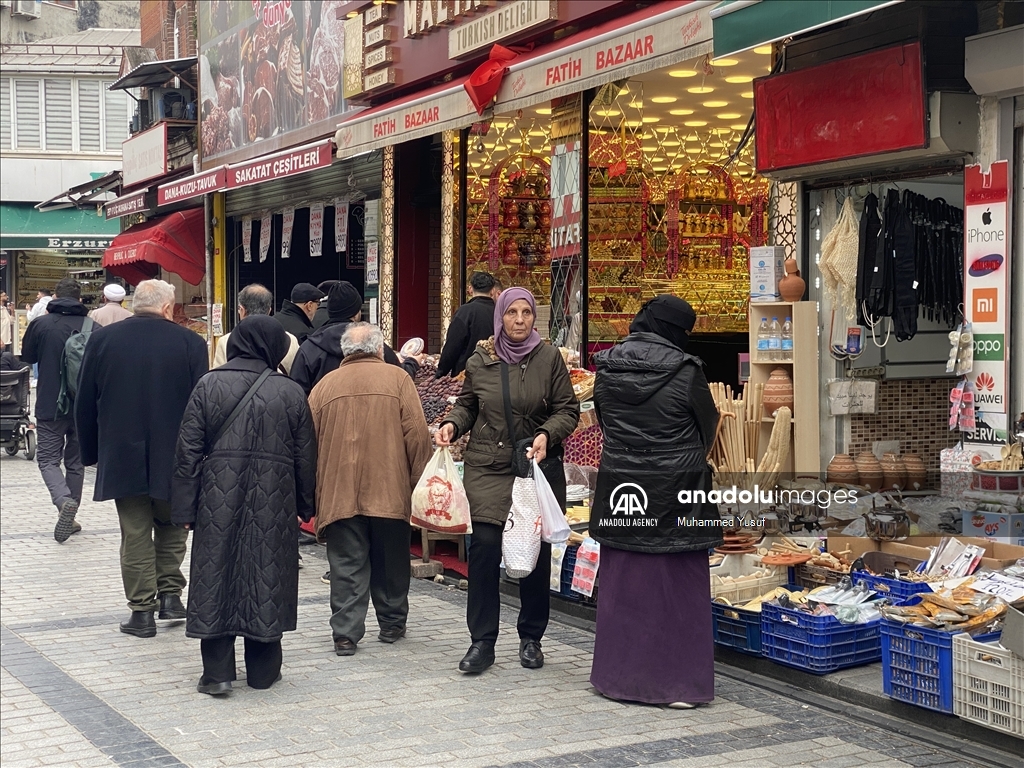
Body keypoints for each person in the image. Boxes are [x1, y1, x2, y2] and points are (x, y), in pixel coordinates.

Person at [587, 295, 722, 709]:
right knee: (678, 586)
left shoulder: (606, 368)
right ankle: (677, 686)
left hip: (622, 488)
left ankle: (616, 679)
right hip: (677, 493)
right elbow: (708, 424)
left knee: (625, 583)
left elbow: (606, 422)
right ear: (676, 332)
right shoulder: (686, 372)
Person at [436, 287, 579, 674]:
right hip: (487, 464)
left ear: (535, 317)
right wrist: (452, 424)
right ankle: (482, 641)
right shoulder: (481, 359)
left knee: (531, 553)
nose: (519, 320)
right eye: (512, 313)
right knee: (484, 548)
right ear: (500, 316)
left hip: (531, 467)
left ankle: (531, 637)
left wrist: (547, 434)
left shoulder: (548, 358)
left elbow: (569, 408)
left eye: (526, 313)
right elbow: (468, 405)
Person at [172, 316, 317, 696]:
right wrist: (306, 504)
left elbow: (187, 452)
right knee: (267, 573)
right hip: (276, 496)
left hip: (216, 496)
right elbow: (306, 456)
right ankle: (263, 671)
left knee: (215, 573)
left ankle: (217, 673)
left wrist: (185, 510)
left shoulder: (208, 384)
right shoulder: (290, 392)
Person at [75, 279, 208, 638]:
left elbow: (85, 399)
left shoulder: (103, 340)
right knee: (173, 524)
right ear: (167, 308)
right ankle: (170, 596)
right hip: (178, 453)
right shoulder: (191, 343)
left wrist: (89, 452)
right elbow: (202, 406)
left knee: (134, 532)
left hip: (122, 451)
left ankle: (142, 612)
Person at [309, 323, 432, 657]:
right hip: (390, 488)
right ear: (380, 350)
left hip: (339, 492)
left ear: (344, 352)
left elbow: (307, 444)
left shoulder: (324, 387)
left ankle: (346, 634)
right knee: (391, 559)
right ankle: (391, 623)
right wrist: (417, 483)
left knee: (346, 563)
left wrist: (313, 491)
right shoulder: (398, 379)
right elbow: (418, 436)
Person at [19, 277, 88, 542]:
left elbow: (29, 358)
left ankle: (63, 503)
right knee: (76, 461)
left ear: (54, 298)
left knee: (48, 459)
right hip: (83, 405)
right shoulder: (93, 326)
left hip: (50, 403)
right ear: (80, 299)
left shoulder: (40, 324)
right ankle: (71, 512)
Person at [291, 281, 419, 397]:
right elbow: (401, 378)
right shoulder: (375, 344)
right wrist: (412, 362)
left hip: (323, 421)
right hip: (371, 420)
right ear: (357, 312)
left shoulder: (309, 348)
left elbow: (297, 395)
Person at [213, 284, 299, 373]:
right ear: (269, 310)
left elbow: (217, 379)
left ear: (242, 310)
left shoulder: (225, 341)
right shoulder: (290, 340)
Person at [435, 272, 499, 378]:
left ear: (470, 289)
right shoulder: (501, 313)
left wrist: (441, 373)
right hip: (496, 374)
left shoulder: (464, 312)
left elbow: (452, 346)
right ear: (492, 291)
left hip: (466, 375)